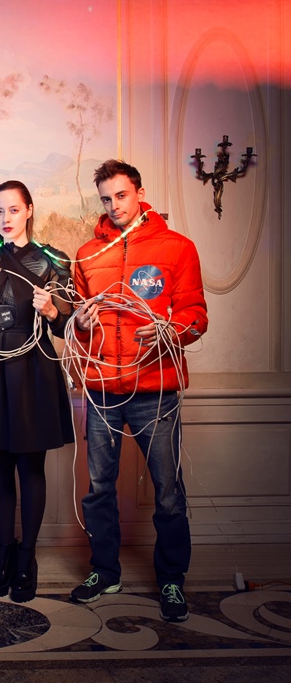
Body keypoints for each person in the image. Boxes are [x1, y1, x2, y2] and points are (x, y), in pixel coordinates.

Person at [68, 159, 208, 623]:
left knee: (168, 491)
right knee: (99, 489)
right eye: (106, 199)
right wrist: (80, 322)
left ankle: (171, 580)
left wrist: (170, 329)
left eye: (121, 195)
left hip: (155, 390)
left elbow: (196, 314)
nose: (113, 206)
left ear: (140, 193)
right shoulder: (87, 254)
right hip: (101, 391)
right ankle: (105, 572)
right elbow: (79, 324)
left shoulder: (177, 248)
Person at [0, 181, 74, 603]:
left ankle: (26, 558)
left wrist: (52, 310)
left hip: (33, 368)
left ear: (29, 210)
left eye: (14, 210)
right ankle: (3, 555)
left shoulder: (54, 260)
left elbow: (67, 325)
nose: (5, 218)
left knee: (30, 467)